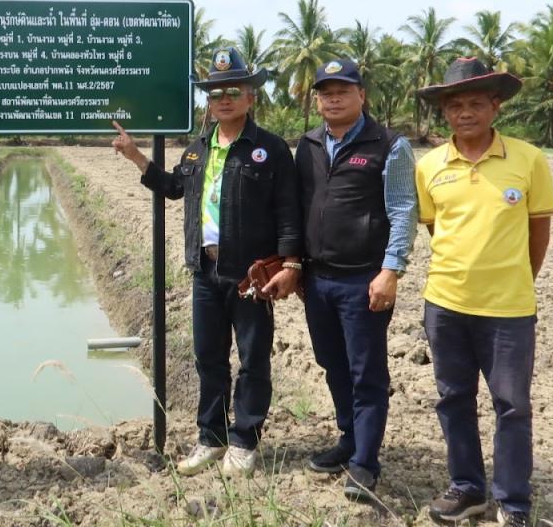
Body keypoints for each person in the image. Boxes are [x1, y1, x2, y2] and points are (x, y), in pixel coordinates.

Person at [112, 48, 302, 478]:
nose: (224, 99)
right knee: (207, 358)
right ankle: (211, 438)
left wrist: (292, 263)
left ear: (250, 97)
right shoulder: (198, 150)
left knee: (253, 358)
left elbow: (289, 211)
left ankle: (244, 440)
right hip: (205, 270)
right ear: (208, 101)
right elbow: (176, 188)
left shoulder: (269, 149)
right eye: (216, 93)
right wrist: (137, 157)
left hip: (250, 274)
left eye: (233, 91)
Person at [415, 57, 553, 526]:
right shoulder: (430, 165)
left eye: (476, 102)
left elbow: (538, 235)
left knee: (512, 405)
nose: (465, 113)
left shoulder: (527, 159)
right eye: (454, 105)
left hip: (509, 310)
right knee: (454, 398)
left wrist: (514, 278)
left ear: (495, 106)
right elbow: (438, 230)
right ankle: (468, 488)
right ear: (444, 113)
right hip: (446, 304)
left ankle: (513, 503)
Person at [294, 58, 417, 501]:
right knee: (333, 365)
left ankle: (366, 462)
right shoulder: (307, 144)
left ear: (361, 94)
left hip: (364, 280)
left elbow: (404, 208)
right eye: (325, 92)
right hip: (317, 280)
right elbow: (298, 206)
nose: (333, 98)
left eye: (342, 89)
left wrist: (391, 270)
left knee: (366, 372)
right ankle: (347, 438)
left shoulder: (388, 144)